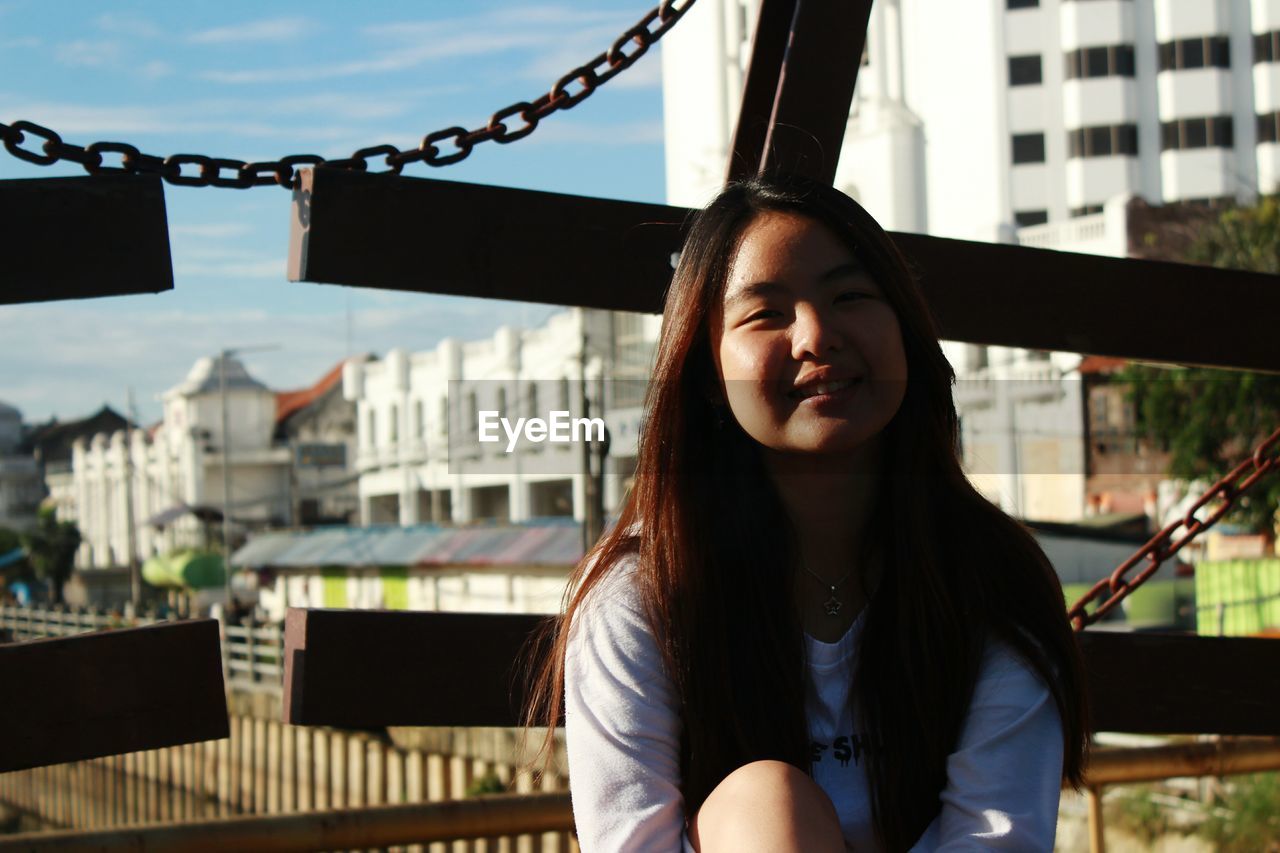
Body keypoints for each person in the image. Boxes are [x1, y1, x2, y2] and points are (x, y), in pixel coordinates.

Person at [524, 175, 1090, 851]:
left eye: (850, 296)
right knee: (766, 807)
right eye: (766, 314)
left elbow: (1000, 837)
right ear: (706, 369)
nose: (816, 337)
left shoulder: (990, 576)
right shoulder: (639, 595)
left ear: (905, 331)